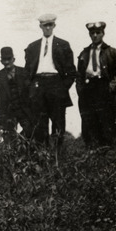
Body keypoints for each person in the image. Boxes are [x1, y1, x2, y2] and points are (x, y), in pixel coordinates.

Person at [24, 13, 77, 150]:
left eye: (50, 25)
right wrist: (31, 87)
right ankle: (42, 155)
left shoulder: (63, 45)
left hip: (56, 84)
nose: (48, 28)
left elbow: (71, 71)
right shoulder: (32, 47)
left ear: (54, 25)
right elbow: (27, 71)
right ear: (40, 26)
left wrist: (62, 88)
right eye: (45, 25)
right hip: (38, 86)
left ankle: (57, 155)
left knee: (58, 123)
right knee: (39, 123)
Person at [75, 21, 116, 148]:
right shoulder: (84, 53)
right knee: (90, 124)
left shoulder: (112, 52)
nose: (95, 35)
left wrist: (111, 87)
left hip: (105, 89)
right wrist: (81, 90)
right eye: (92, 33)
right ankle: (93, 154)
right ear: (89, 35)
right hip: (89, 91)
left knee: (108, 124)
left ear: (103, 34)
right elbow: (79, 75)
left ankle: (110, 153)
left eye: (98, 32)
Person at [0, 47, 32, 140]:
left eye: (9, 59)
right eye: (4, 59)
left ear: (13, 59)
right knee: (9, 140)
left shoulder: (24, 72)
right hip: (6, 113)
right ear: (1, 61)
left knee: (30, 134)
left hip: (24, 112)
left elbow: (31, 93)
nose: (7, 62)